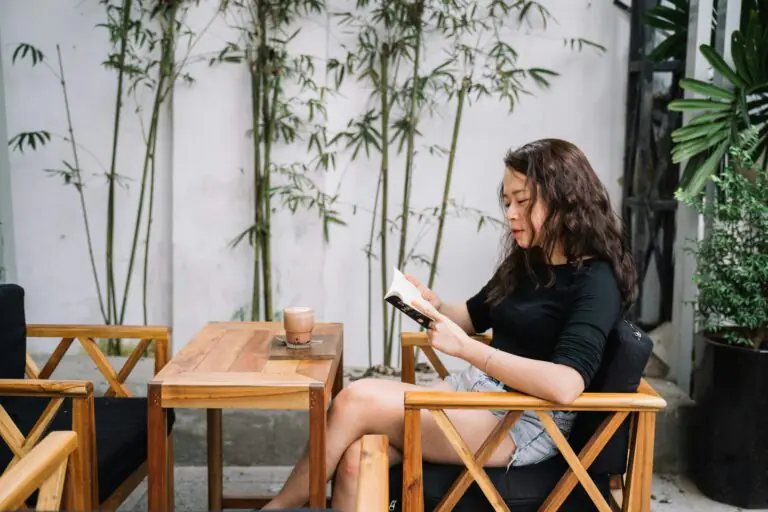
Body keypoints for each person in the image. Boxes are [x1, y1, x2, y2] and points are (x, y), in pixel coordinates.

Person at [262, 138, 636, 510]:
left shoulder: (596, 281)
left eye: (522, 201)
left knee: (355, 401)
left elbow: (566, 384)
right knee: (358, 460)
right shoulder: (528, 261)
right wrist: (431, 305)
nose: (510, 213)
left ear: (563, 200)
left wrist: (467, 349)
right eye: (507, 202)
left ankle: (280, 508)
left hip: (524, 423)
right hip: (476, 396)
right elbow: (470, 317)